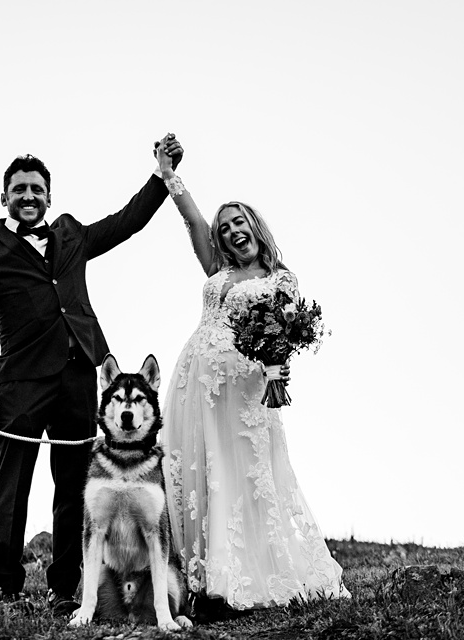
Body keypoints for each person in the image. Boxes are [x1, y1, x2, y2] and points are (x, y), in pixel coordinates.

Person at [0, 137, 184, 615]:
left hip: (79, 377)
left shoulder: (71, 234)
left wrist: (161, 176)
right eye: (19, 189)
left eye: (36, 189)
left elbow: (125, 224)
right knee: (13, 483)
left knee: (75, 486)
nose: (28, 196)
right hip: (22, 383)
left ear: (49, 197)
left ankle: (65, 588)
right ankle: (7, 589)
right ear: (4, 197)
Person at [154, 148, 349, 617]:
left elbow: (282, 338)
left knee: (239, 474)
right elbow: (194, 222)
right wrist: (167, 175)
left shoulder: (281, 279)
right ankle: (197, 577)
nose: (230, 231)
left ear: (255, 227)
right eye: (224, 228)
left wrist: (277, 371)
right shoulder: (216, 271)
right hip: (192, 384)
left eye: (237, 222)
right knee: (194, 470)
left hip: (242, 391)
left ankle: (239, 575)